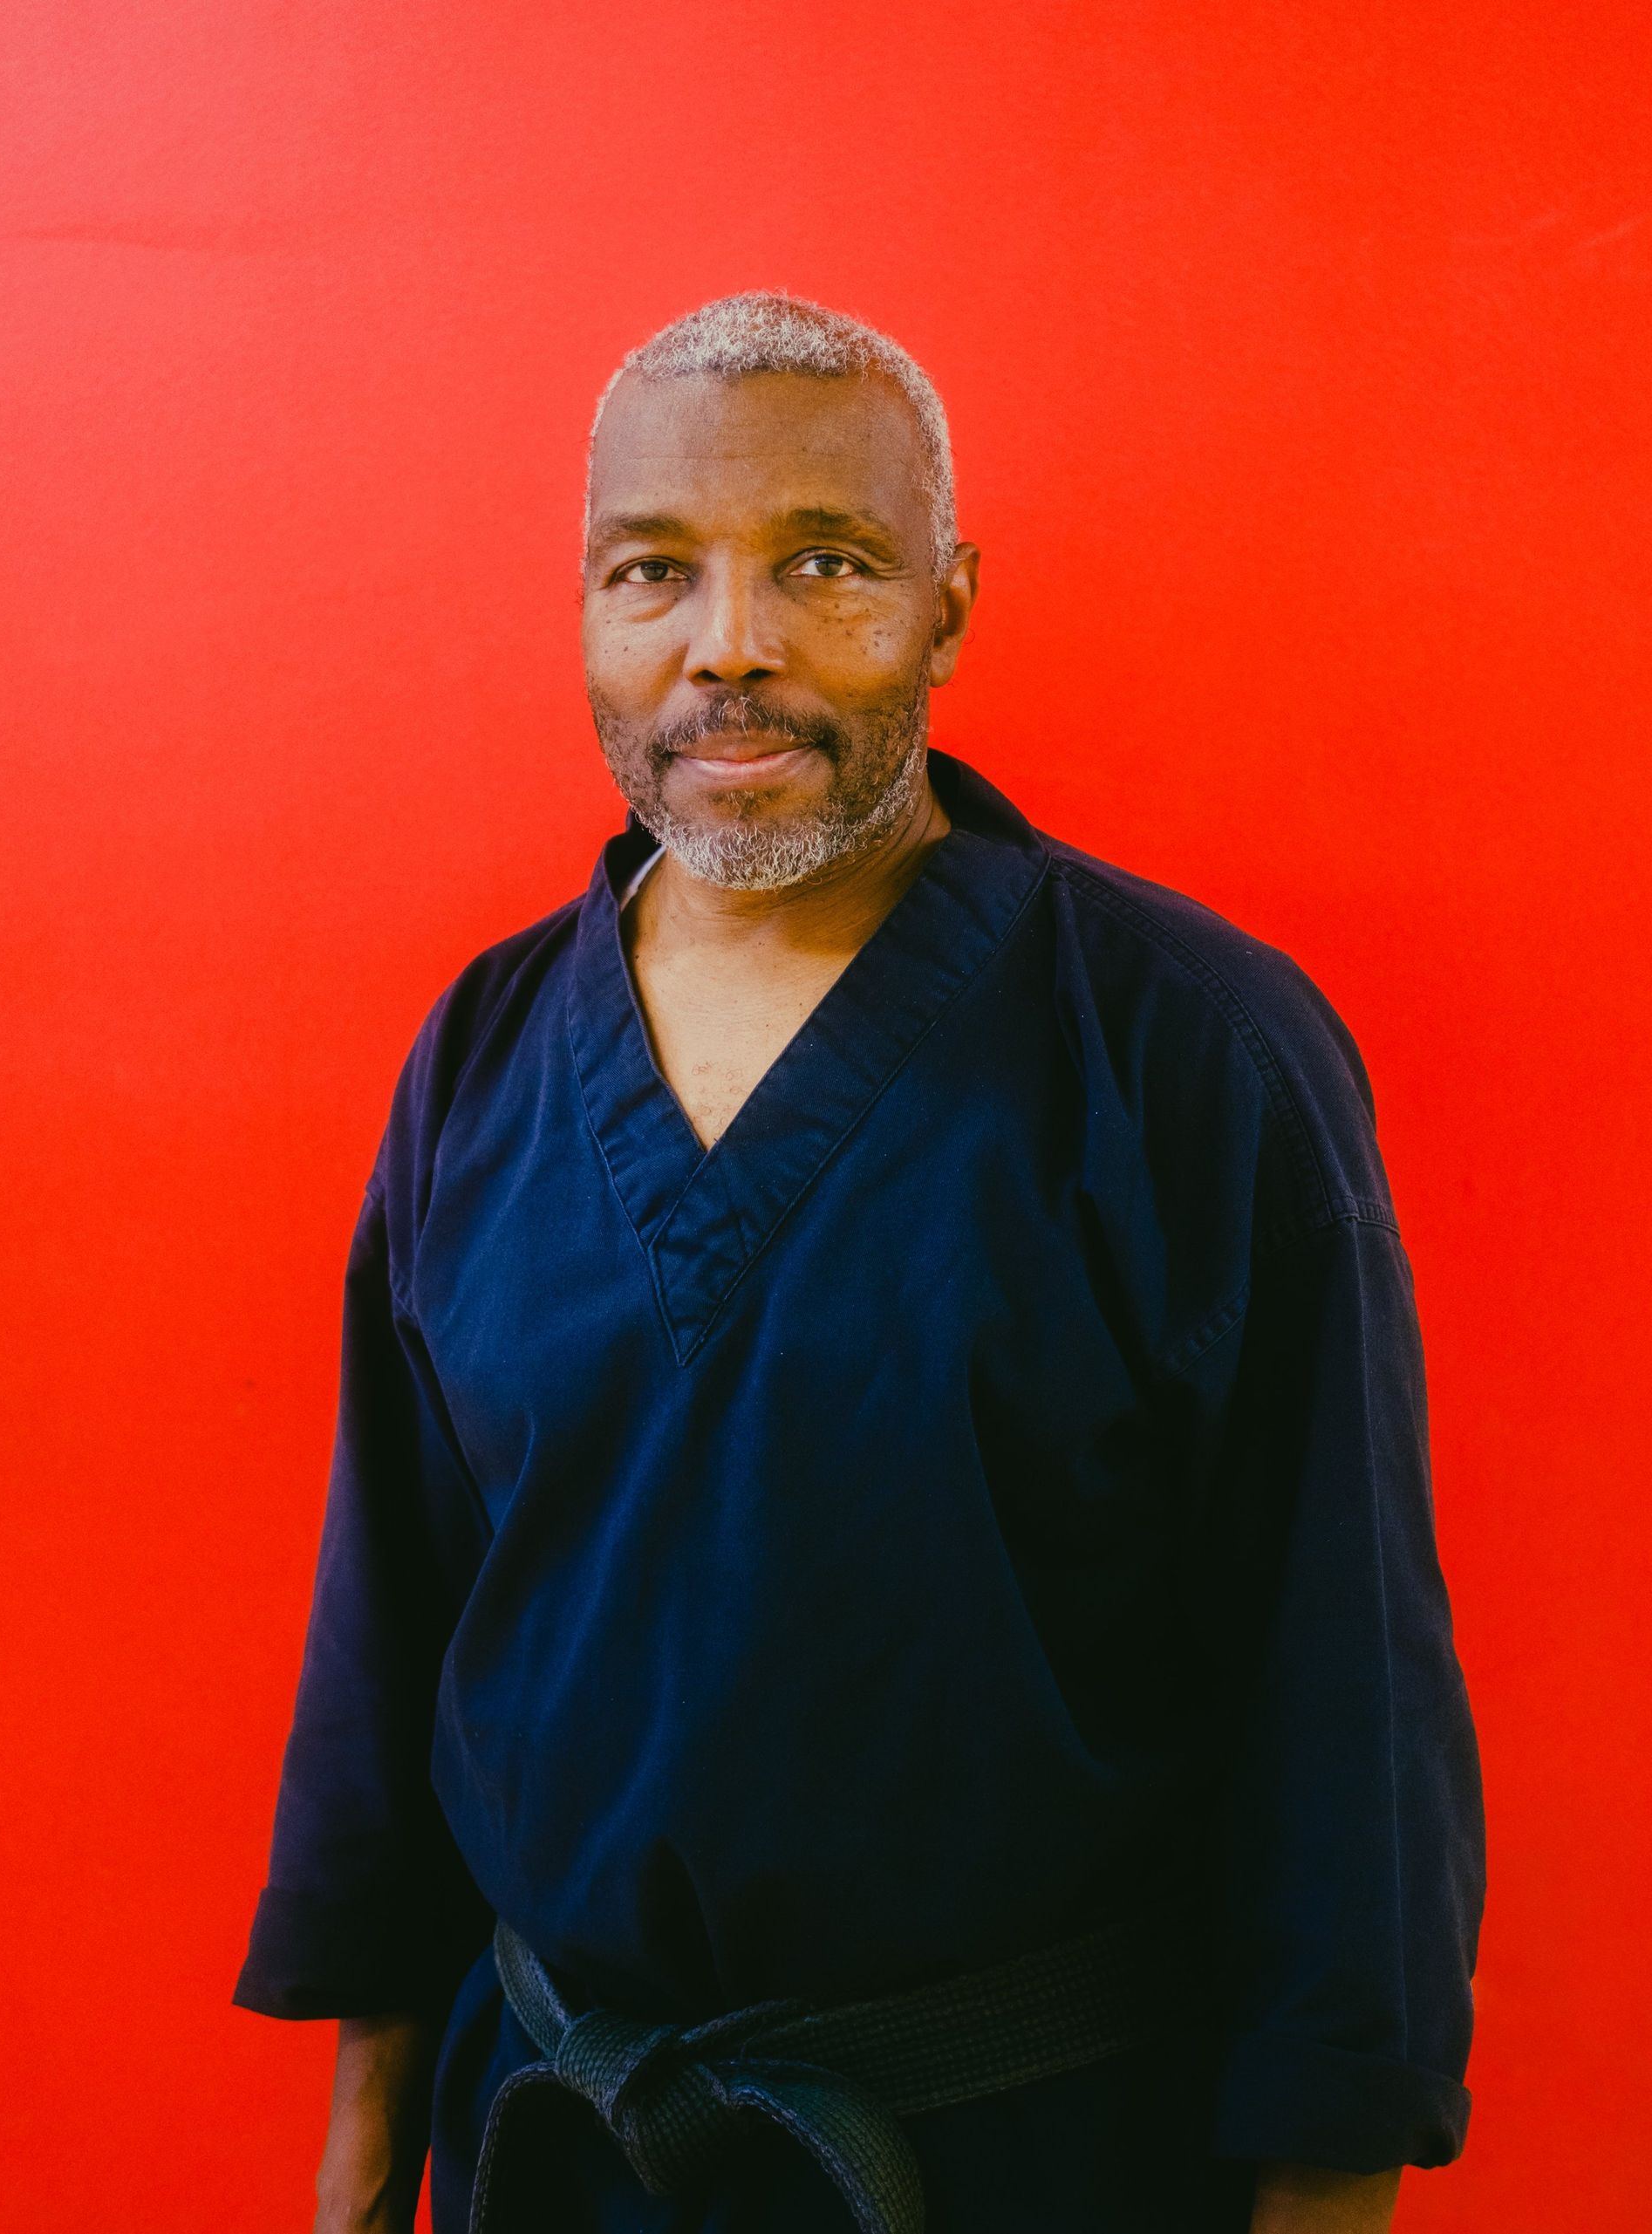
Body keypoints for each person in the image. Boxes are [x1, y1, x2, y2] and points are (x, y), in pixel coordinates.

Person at [234, 293, 1485, 2234]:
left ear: (950, 606)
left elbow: (1348, 1720)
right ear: (585, 605)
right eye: (656, 572)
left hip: (1031, 2155)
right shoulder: (484, 1053)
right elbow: (390, 1656)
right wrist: (359, 2168)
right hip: (559, 2149)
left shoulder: (1190, 1055)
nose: (729, 644)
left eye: (823, 564)